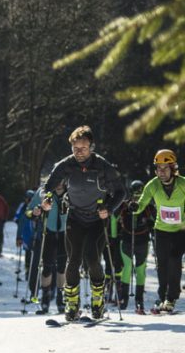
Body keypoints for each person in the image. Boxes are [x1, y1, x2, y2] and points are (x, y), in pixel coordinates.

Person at [39, 126, 125, 321]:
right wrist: (46, 199)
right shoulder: (65, 165)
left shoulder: (102, 166)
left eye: (83, 148)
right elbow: (48, 186)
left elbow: (121, 192)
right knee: (73, 260)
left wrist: (109, 209)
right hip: (75, 218)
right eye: (75, 148)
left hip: (97, 219)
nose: (79, 153)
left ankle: (97, 301)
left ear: (91, 147)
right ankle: (71, 304)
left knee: (93, 259)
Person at [132, 149, 185, 313]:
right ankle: (162, 297)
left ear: (173, 168)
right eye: (158, 168)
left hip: (180, 230)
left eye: (165, 168)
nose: (161, 172)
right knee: (162, 265)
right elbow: (142, 203)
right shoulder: (153, 185)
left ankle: (171, 297)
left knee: (174, 259)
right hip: (161, 230)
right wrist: (135, 207)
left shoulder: (183, 184)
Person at [28, 182, 68, 314]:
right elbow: (28, 211)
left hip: (65, 233)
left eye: (61, 181)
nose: (58, 184)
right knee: (47, 268)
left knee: (62, 268)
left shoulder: (71, 191)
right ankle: (45, 300)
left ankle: (60, 299)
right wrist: (34, 212)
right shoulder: (43, 191)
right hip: (48, 233)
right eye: (56, 181)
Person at [117, 180, 154, 314]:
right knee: (127, 268)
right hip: (127, 240)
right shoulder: (124, 206)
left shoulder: (148, 207)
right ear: (131, 193)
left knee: (140, 269)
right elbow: (114, 220)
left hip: (142, 241)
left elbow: (156, 222)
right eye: (135, 194)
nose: (137, 197)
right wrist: (113, 237)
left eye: (140, 194)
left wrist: (151, 225)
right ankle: (124, 298)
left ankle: (139, 299)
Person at [14, 190, 36, 290]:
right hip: (26, 234)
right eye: (27, 198)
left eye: (30, 199)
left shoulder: (37, 206)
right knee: (28, 254)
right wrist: (19, 237)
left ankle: (34, 274)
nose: (28, 200)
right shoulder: (22, 207)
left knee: (35, 255)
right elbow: (17, 219)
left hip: (36, 235)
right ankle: (28, 272)